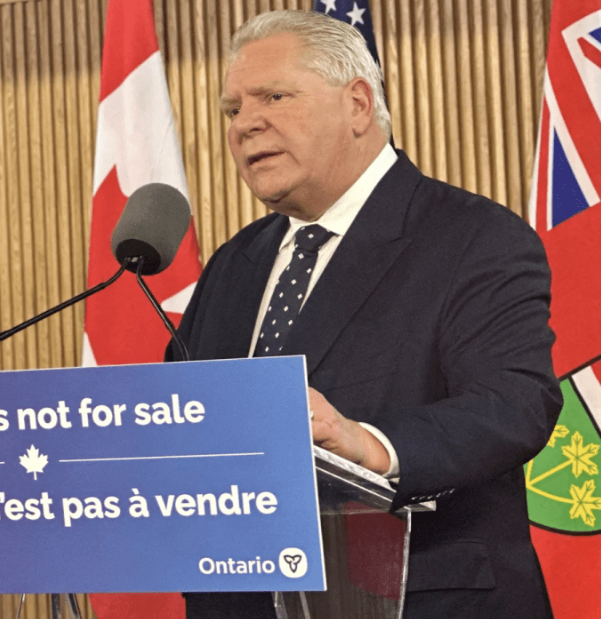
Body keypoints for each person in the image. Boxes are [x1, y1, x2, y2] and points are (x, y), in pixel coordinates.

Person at [167, 9, 563, 619]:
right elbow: (185, 427)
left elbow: (514, 404)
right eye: (232, 109)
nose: (245, 123)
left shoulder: (473, 237)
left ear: (357, 104)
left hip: (421, 598)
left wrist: (371, 445)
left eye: (274, 96)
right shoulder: (234, 264)